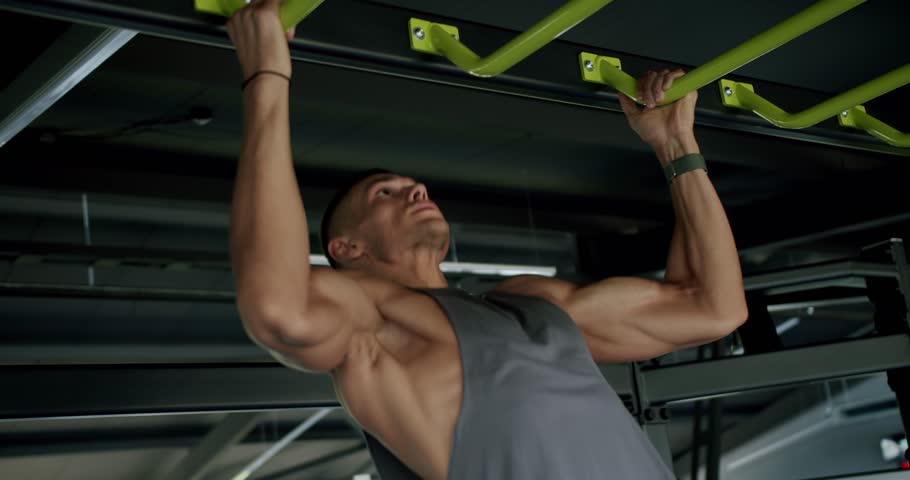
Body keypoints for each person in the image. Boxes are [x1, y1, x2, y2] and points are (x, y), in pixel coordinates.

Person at [226, 1, 748, 478]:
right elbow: (278, 307)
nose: (416, 191)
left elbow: (713, 306)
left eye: (416, 185)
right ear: (347, 249)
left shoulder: (530, 301)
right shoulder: (372, 325)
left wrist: (675, 144)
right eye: (387, 192)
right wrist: (267, 72)